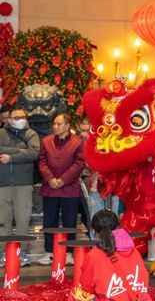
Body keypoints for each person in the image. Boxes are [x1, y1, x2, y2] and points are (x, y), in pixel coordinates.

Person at [38, 113, 85, 265]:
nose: (55, 127)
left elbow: (79, 163)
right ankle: (48, 251)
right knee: (49, 221)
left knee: (69, 221)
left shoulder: (78, 142)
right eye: (54, 124)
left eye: (59, 124)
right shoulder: (46, 141)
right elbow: (41, 162)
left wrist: (63, 180)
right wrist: (50, 178)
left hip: (70, 187)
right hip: (50, 187)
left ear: (67, 125)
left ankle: (69, 252)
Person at [75, 209, 151, 301]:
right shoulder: (134, 251)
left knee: (76, 294)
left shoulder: (94, 254)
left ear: (94, 232)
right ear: (118, 227)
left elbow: (86, 287)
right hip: (136, 298)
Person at [0, 107, 40, 267]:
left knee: (23, 218)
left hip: (23, 184)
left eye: (23, 116)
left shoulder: (31, 134)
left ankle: (21, 252)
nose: (20, 119)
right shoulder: (1, 133)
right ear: (9, 119)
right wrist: (20, 151)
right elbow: (27, 153)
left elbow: (34, 153)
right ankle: (2, 252)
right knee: (3, 219)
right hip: (3, 183)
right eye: (16, 117)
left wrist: (10, 157)